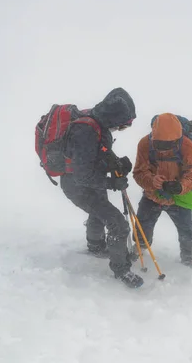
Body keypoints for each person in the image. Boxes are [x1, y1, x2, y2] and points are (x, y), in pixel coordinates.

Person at [60, 87, 143, 288]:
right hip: (76, 185)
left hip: (86, 181)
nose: (120, 129)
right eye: (122, 126)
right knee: (117, 222)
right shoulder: (86, 130)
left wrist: (116, 163)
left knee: (100, 212)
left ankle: (95, 246)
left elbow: (99, 153)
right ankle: (121, 269)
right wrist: (111, 182)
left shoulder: (99, 123)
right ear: (114, 118)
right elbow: (82, 174)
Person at [132, 113, 192, 270]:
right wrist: (152, 181)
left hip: (177, 198)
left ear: (177, 140)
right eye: (160, 145)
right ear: (153, 137)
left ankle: (189, 258)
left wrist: (180, 186)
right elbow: (138, 172)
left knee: (186, 230)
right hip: (152, 195)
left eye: (169, 146)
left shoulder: (186, 145)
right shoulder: (145, 144)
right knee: (142, 226)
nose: (164, 150)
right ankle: (140, 247)